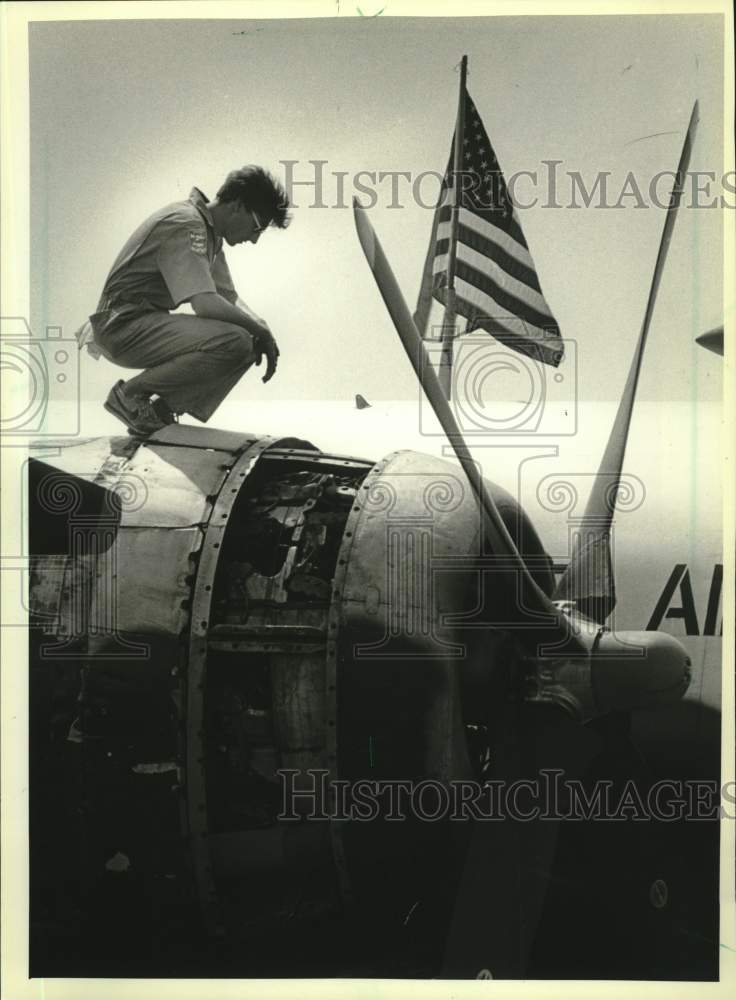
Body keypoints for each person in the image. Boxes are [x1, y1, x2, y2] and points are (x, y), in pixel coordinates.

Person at [76, 166, 290, 436]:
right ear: (237, 206)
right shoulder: (188, 225)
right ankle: (130, 397)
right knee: (235, 341)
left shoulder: (208, 233)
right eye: (257, 226)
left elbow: (226, 296)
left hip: (135, 322)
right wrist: (258, 331)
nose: (255, 239)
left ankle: (158, 410)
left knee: (246, 343)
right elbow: (205, 303)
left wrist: (262, 328)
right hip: (122, 325)